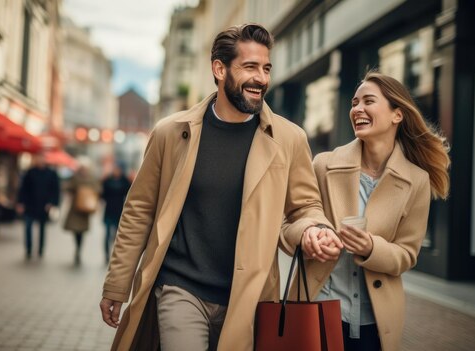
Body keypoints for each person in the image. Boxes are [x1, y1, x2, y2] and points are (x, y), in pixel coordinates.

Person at [99, 23, 342, 351]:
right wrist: (117, 285)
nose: (261, 78)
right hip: (179, 288)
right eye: (250, 67)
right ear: (219, 68)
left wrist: (313, 228)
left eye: (266, 68)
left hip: (250, 296)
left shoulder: (288, 139)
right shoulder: (172, 133)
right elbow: (138, 211)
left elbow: (305, 206)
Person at [282, 71, 451, 351]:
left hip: (376, 323)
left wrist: (371, 248)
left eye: (368, 101)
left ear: (397, 115)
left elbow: (407, 255)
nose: (357, 109)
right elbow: (289, 223)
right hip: (317, 311)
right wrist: (309, 235)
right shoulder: (324, 165)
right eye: (354, 102)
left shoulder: (416, 180)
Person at [16, 153, 60, 259]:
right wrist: (20, 202)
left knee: (42, 229)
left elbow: (56, 191)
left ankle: (40, 249)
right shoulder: (30, 172)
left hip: (44, 206)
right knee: (28, 227)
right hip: (30, 205)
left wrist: (52, 203)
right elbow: (23, 189)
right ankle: (28, 249)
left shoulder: (51, 174)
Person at [63, 159, 101, 265]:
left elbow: (98, 189)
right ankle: (77, 248)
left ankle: (79, 249)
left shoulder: (91, 178)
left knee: (81, 232)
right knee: (76, 231)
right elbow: (68, 188)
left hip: (85, 208)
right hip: (76, 208)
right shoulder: (75, 178)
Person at [101, 161, 131, 264]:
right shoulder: (107, 180)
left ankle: (115, 255)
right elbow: (102, 195)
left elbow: (130, 194)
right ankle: (106, 254)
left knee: (117, 235)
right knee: (107, 234)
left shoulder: (125, 181)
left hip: (119, 211)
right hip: (109, 210)